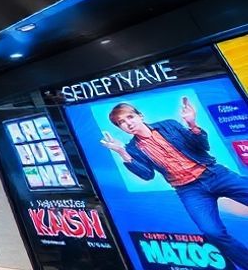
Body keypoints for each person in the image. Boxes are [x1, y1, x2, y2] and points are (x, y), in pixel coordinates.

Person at [99, 98, 248, 270]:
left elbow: (202, 146)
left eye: (130, 117)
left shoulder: (168, 125)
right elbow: (147, 175)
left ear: (140, 116)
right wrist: (122, 152)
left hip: (214, 174)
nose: (128, 124)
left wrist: (192, 123)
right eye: (121, 123)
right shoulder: (132, 148)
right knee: (212, 232)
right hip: (189, 190)